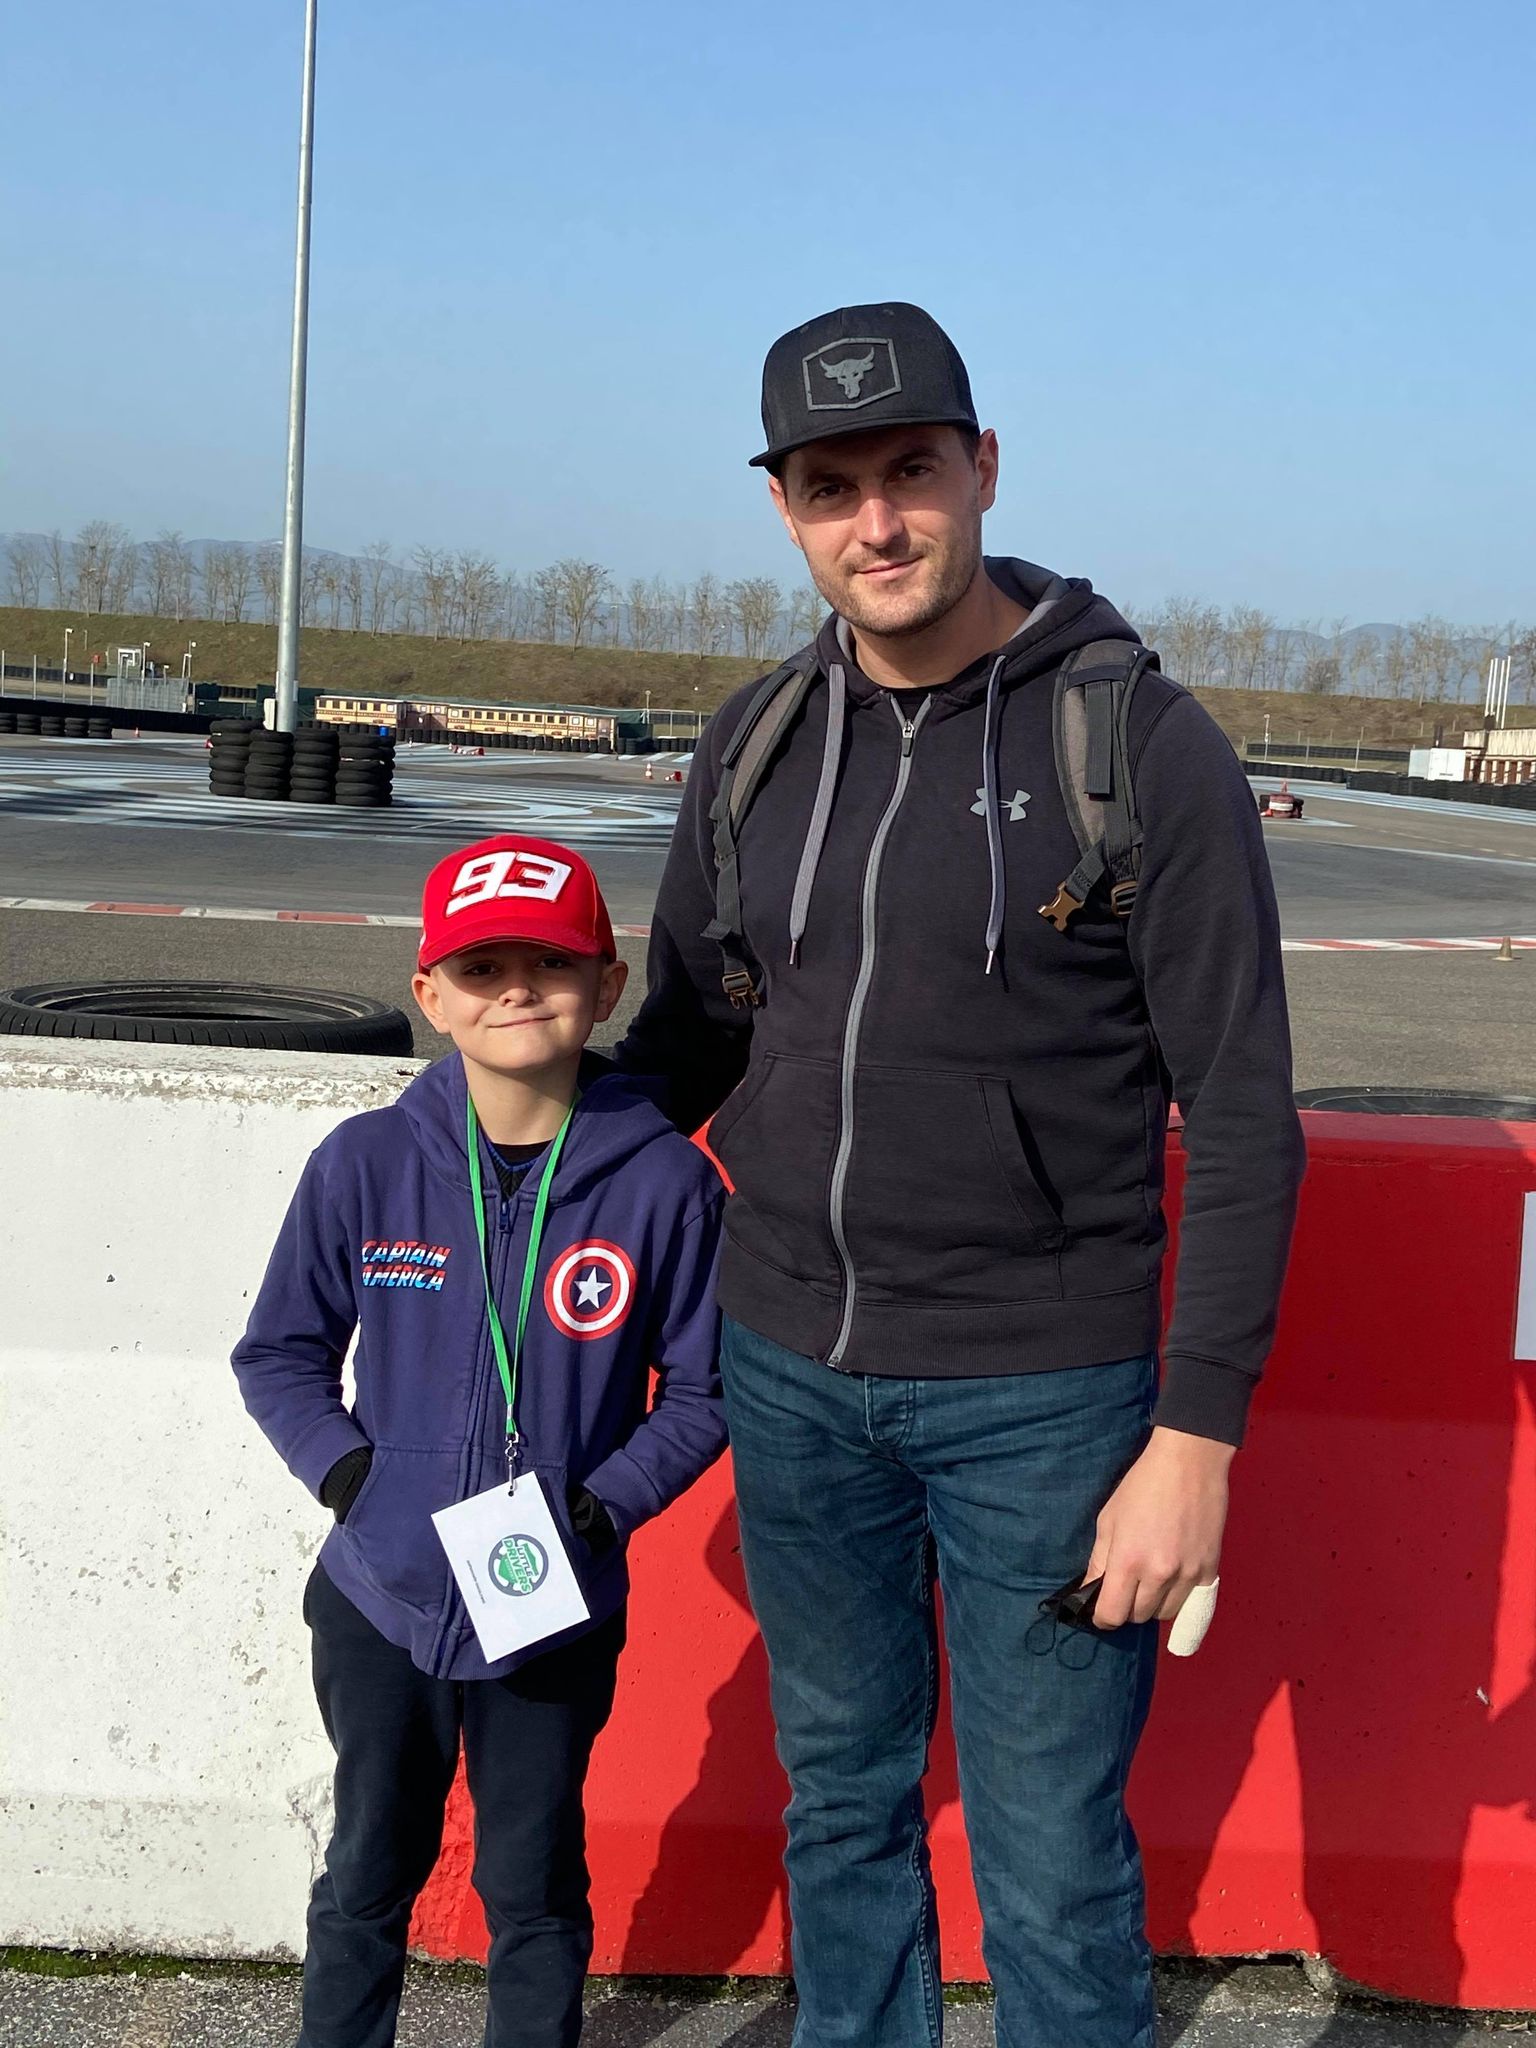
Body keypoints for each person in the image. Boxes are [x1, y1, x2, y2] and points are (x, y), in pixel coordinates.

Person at [616, 302, 1306, 2048]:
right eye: (830, 486)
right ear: (784, 508)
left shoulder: (1139, 745)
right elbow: (686, 1043)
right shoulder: (757, 743)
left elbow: (1241, 1113)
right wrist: (487, 1135)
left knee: (1052, 1858)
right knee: (841, 1803)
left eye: (911, 471)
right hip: (789, 1375)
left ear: (984, 468)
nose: (878, 522)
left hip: (1044, 1399)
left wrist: (1196, 1442)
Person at [233, 832, 728, 2048]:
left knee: (534, 1881)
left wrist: (605, 1504)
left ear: (607, 986)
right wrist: (356, 1479)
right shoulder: (364, 1163)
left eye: (551, 964)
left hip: (553, 1601)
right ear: (431, 993)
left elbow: (707, 1389)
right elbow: (278, 1352)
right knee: (367, 1868)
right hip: (380, 1593)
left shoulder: (666, 1182)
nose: (517, 990)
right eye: (482, 967)